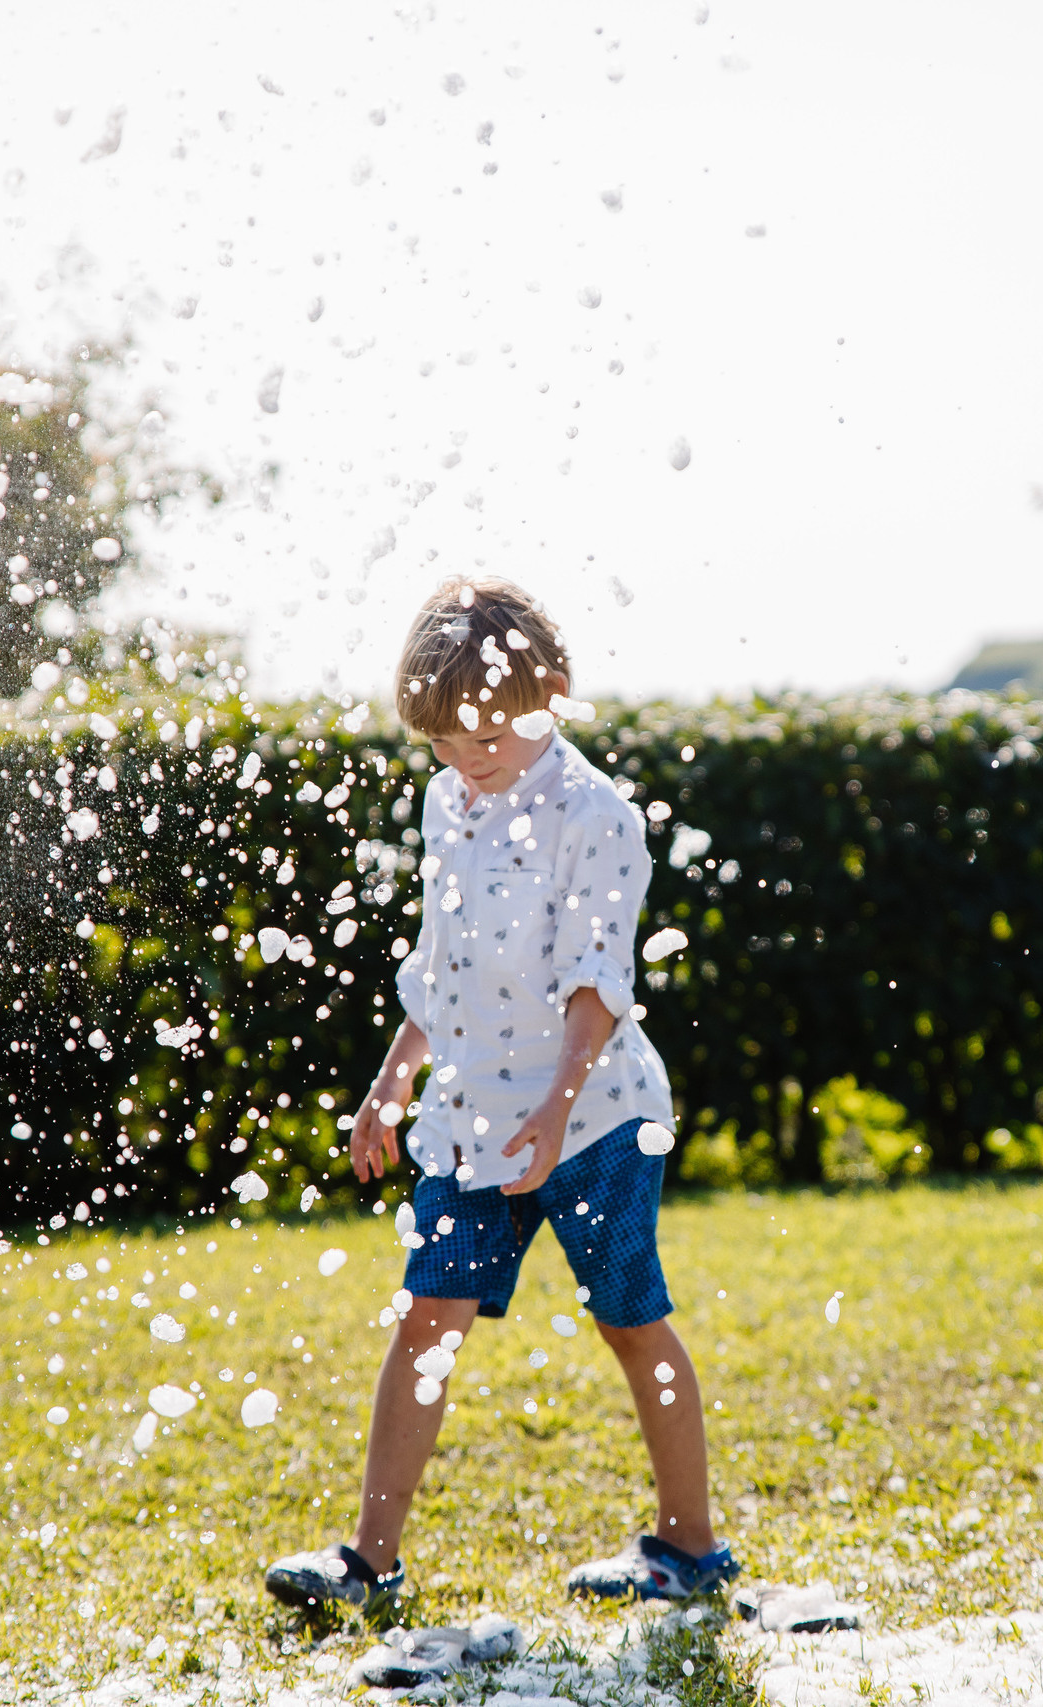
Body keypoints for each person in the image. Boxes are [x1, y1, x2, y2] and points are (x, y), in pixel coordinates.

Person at [265, 575, 737, 1623]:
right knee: (425, 1321)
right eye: (444, 743)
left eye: (487, 738)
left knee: (629, 1319)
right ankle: (369, 1561)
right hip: (474, 1121)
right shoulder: (450, 801)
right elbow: (444, 965)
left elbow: (596, 983)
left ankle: (689, 1548)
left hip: (596, 1118)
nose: (468, 762)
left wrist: (556, 1113)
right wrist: (391, 1085)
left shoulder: (596, 817)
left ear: (553, 694)